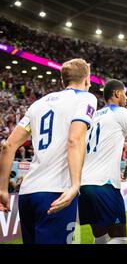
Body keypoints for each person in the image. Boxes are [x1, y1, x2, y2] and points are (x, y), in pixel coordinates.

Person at [0, 58, 97, 244]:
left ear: (63, 81)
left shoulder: (38, 104)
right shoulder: (86, 98)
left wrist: (2, 189)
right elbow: (74, 138)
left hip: (27, 194)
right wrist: (76, 185)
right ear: (87, 80)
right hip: (56, 193)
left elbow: (8, 146)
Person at [79, 79, 127, 244]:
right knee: (119, 238)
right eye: (125, 94)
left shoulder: (91, 118)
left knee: (100, 237)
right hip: (104, 184)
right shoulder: (121, 112)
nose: (126, 98)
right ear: (117, 94)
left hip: (84, 184)